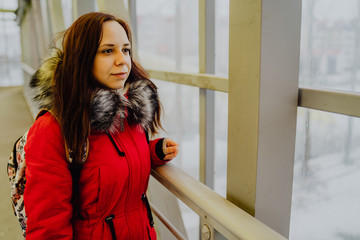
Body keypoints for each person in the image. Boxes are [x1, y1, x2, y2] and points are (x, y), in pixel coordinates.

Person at [24, 12, 178, 240]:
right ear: (82, 57)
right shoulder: (52, 129)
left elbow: (112, 161)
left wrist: (152, 152)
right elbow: (49, 229)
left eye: (126, 49)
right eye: (108, 50)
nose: (122, 60)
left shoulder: (127, 112)